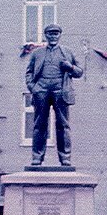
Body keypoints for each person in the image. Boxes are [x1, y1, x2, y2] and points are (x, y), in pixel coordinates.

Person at [24, 23, 83, 167]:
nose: (53, 36)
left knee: (63, 125)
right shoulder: (37, 53)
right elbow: (29, 72)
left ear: (60, 35)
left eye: (56, 33)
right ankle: (37, 157)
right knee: (39, 125)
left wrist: (70, 67)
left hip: (60, 91)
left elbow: (79, 72)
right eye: (50, 33)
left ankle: (65, 158)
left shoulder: (67, 52)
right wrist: (33, 88)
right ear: (46, 35)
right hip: (41, 91)